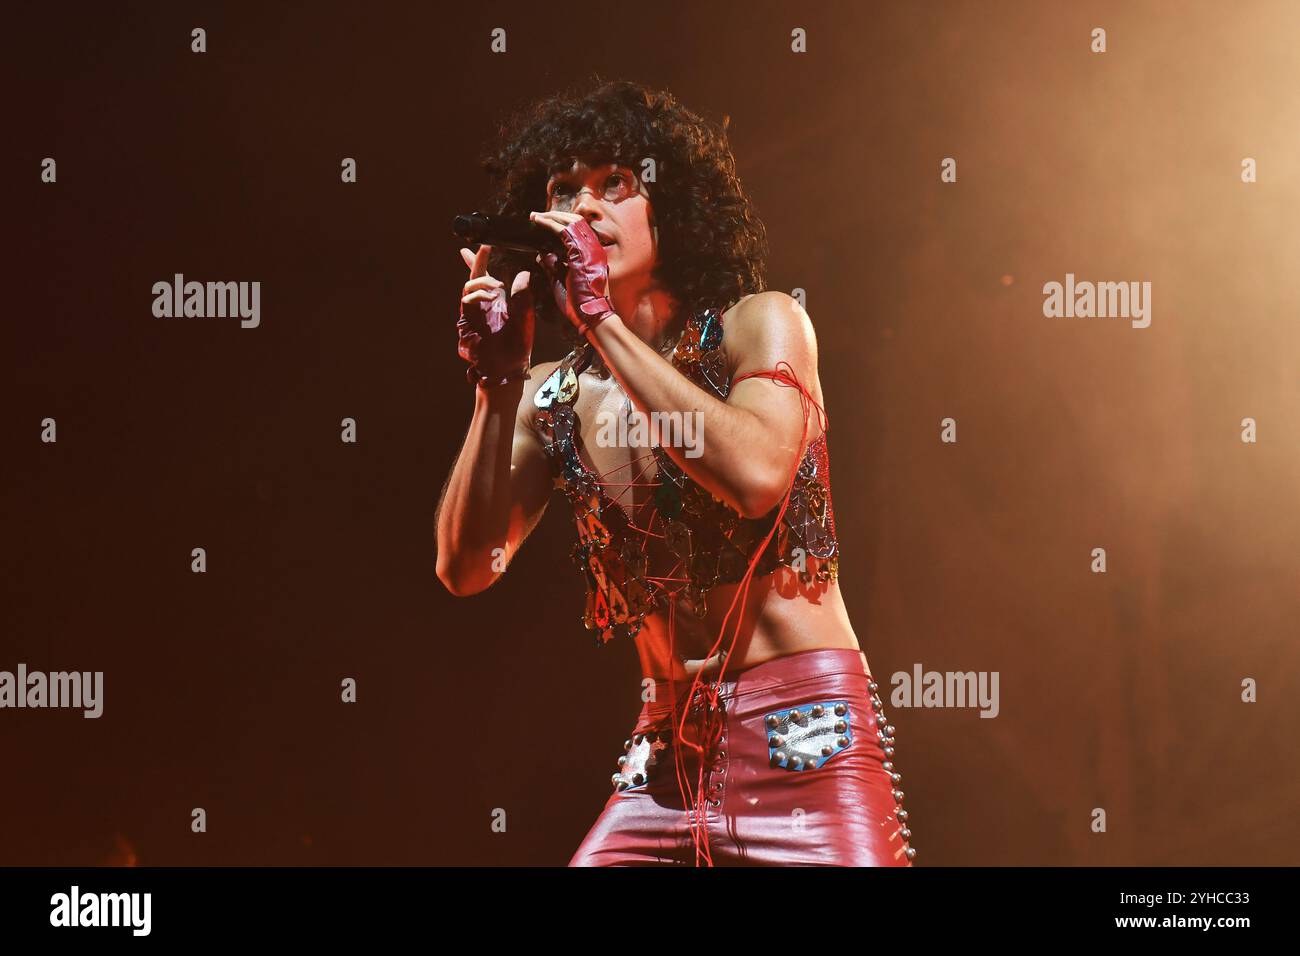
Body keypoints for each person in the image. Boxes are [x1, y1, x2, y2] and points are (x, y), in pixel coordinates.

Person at [436, 78, 915, 867]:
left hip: (804, 742)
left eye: (615, 183)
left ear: (674, 202)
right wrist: (495, 385)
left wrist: (600, 321)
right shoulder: (547, 395)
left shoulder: (760, 324)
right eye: (563, 189)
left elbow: (756, 475)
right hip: (661, 763)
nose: (585, 207)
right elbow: (464, 567)